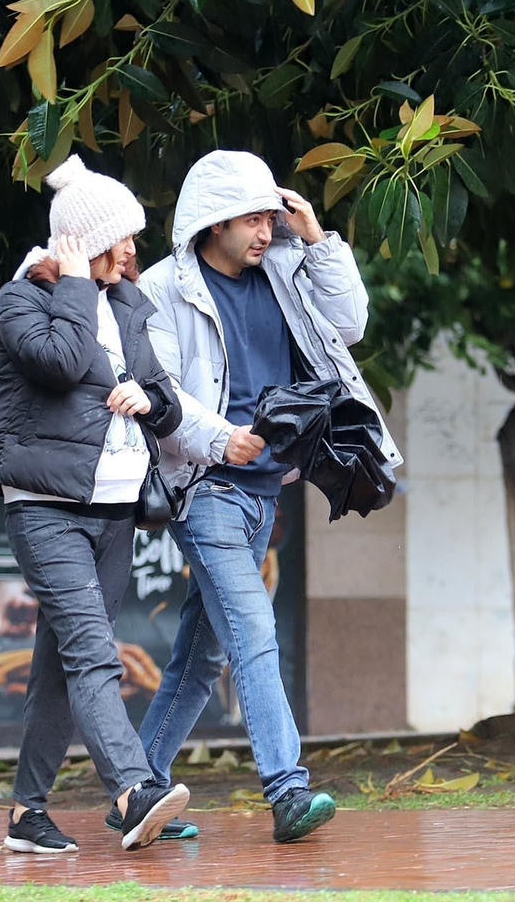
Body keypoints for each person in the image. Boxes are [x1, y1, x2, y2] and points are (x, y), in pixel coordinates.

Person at [137, 149, 402, 843]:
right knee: (254, 632)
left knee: (202, 656)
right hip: (206, 489)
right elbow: (162, 394)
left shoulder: (284, 270)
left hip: (263, 492)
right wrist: (222, 439)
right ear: (213, 222)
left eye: (269, 217)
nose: (265, 231)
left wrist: (317, 240)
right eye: (251, 219)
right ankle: (288, 790)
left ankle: (137, 787)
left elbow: (350, 325)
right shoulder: (165, 288)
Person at [0, 156, 190, 854]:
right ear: (85, 242)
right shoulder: (23, 300)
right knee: (94, 653)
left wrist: (147, 398)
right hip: (45, 507)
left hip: (115, 508)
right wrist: (72, 282)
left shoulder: (125, 304)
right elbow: (62, 362)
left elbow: (167, 402)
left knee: (59, 666)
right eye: (120, 237)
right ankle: (133, 791)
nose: (132, 249)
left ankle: (25, 814)